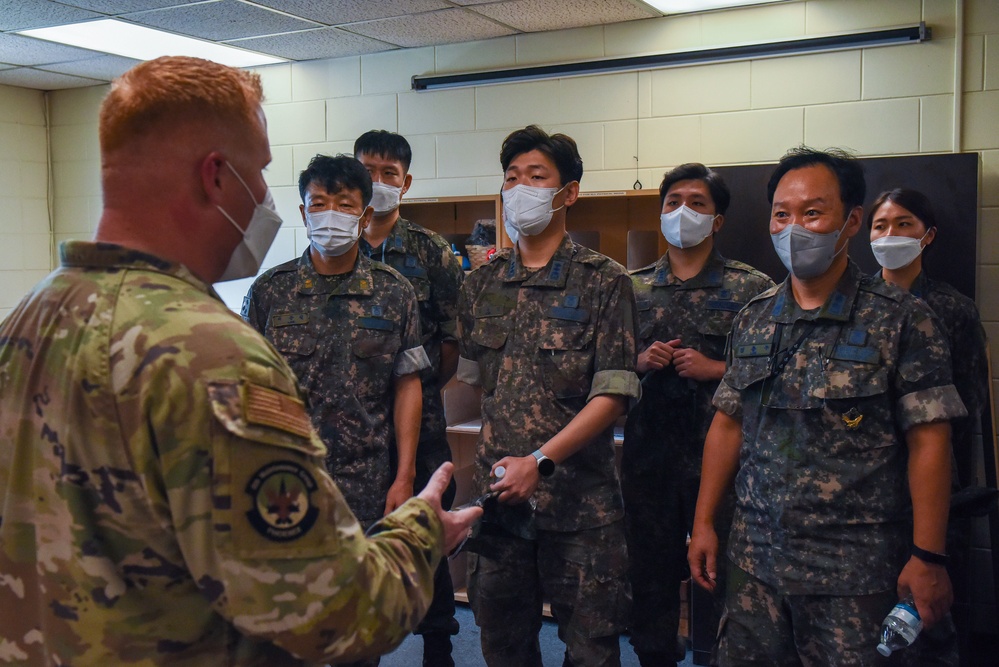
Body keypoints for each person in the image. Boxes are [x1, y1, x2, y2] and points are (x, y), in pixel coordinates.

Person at [0, 56, 480, 666]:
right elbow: (335, 616)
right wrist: (421, 537)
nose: (266, 198)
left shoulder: (26, 323)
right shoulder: (215, 359)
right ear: (216, 177)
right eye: (261, 172)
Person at [687, 147, 966, 665]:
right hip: (756, 566)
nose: (795, 228)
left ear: (851, 221)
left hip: (856, 573)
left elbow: (931, 441)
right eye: (782, 214)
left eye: (813, 212)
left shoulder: (902, 319)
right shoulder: (752, 318)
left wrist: (928, 555)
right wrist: (704, 522)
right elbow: (727, 424)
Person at [456, 125, 641, 667]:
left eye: (537, 177)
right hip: (501, 503)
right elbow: (475, 381)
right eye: (512, 177)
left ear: (569, 192)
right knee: (503, 646)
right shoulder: (480, 283)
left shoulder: (605, 282)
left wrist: (540, 459)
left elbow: (615, 394)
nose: (521, 188)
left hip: (580, 508)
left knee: (591, 651)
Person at [621, 163, 773, 666]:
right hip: (649, 464)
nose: (683, 211)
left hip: (727, 468)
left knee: (731, 582)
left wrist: (717, 368)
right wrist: (640, 362)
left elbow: (778, 375)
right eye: (673, 202)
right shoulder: (631, 288)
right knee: (650, 580)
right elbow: (604, 369)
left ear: (718, 220)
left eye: (698, 203)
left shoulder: (754, 289)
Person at [243, 154, 428, 538]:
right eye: (319, 204)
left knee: (366, 592)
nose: (331, 215)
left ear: (364, 217)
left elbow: (407, 385)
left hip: (368, 483)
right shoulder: (270, 291)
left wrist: (405, 476)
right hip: (284, 479)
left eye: (344, 206)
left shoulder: (393, 291)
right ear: (303, 212)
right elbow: (247, 386)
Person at [354, 130, 465, 667]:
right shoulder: (332, 246)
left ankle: (439, 641)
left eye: (388, 174)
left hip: (420, 422)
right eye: (367, 171)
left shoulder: (429, 251)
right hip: (346, 424)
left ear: (406, 182)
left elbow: (449, 341)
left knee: (425, 528)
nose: (377, 184)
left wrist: (417, 395)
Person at [868, 187, 990, 665]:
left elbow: (967, 405)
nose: (891, 234)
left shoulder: (951, 309)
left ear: (928, 235)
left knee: (925, 625)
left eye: (904, 225)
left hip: (930, 491)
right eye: (881, 225)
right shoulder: (857, 305)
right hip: (865, 493)